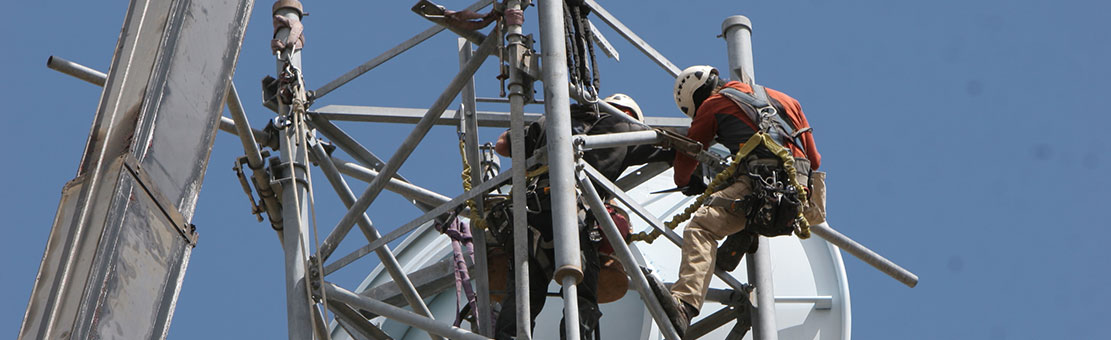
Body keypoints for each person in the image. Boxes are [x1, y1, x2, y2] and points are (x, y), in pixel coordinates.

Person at [652, 65, 822, 336]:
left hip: (759, 188)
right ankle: (745, 234)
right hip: (797, 196)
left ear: (697, 98)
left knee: (701, 227)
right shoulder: (787, 101)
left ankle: (684, 304)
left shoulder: (713, 105)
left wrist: (686, 182)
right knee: (739, 196)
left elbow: (689, 156)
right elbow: (814, 160)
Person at [491, 94, 672, 340]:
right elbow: (673, 145)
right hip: (572, 219)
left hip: (531, 217)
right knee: (582, 296)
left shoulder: (550, 122)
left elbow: (502, 145)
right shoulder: (623, 128)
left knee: (522, 298)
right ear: (628, 114)